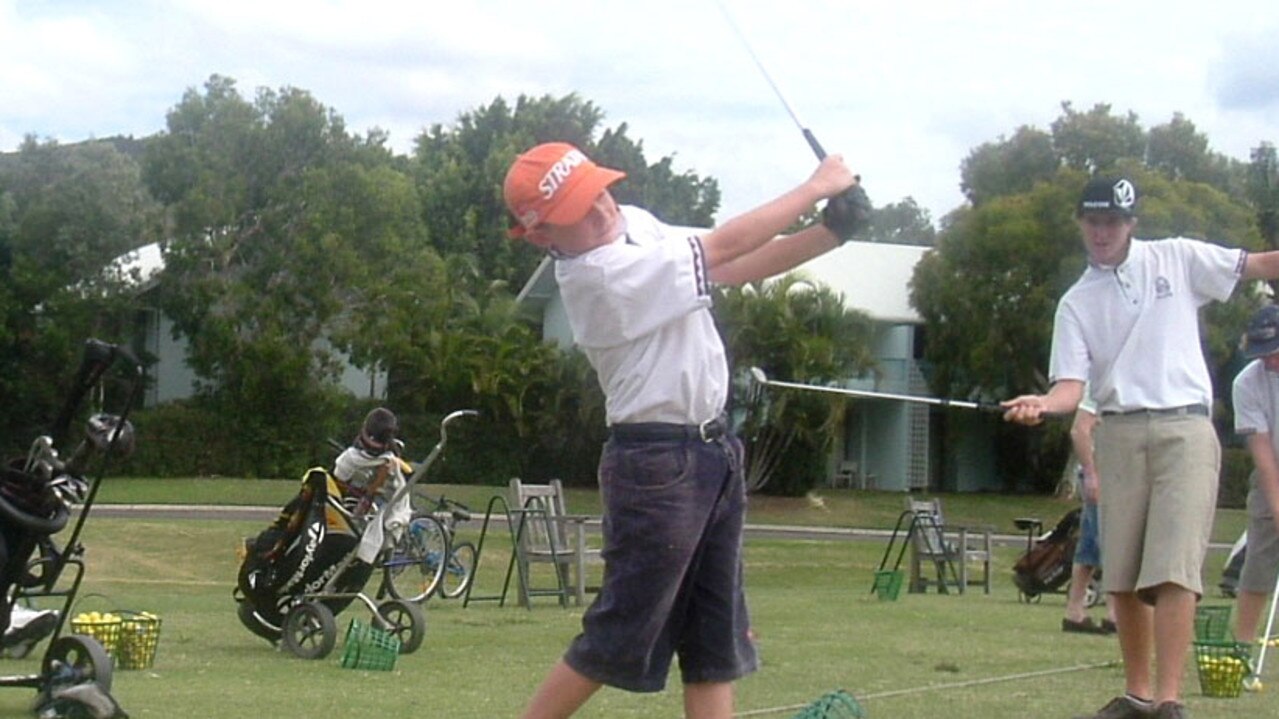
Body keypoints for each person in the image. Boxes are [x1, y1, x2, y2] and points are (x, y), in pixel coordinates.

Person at [502, 141, 865, 719]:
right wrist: (816, 188)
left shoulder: (635, 226)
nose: (600, 211)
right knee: (619, 630)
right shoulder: (599, 277)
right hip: (656, 462)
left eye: (598, 192)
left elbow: (729, 267)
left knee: (713, 642)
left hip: (713, 450)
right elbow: (721, 244)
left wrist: (827, 234)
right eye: (576, 212)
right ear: (544, 235)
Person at [1002, 176, 1279, 719]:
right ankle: (1138, 694)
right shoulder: (1075, 302)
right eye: (1093, 221)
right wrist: (1042, 404)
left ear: (1131, 223)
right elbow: (1070, 390)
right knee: (1122, 572)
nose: (1102, 232)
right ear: (1081, 224)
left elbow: (1260, 265)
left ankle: (1170, 700)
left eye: (1113, 222)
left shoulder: (1175, 258)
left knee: (1174, 568)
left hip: (1186, 428)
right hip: (1119, 432)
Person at [1230, 305, 1279, 648]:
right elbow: (1262, 456)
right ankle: (1242, 644)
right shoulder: (1246, 383)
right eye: (1264, 355)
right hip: (1273, 468)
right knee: (1260, 557)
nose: (1270, 361)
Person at [1063, 396, 1120, 635]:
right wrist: (1091, 474)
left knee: (1091, 546)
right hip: (1102, 474)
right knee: (1111, 545)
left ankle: (1075, 612)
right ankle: (1115, 614)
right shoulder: (1099, 388)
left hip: (1114, 473)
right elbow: (1079, 431)